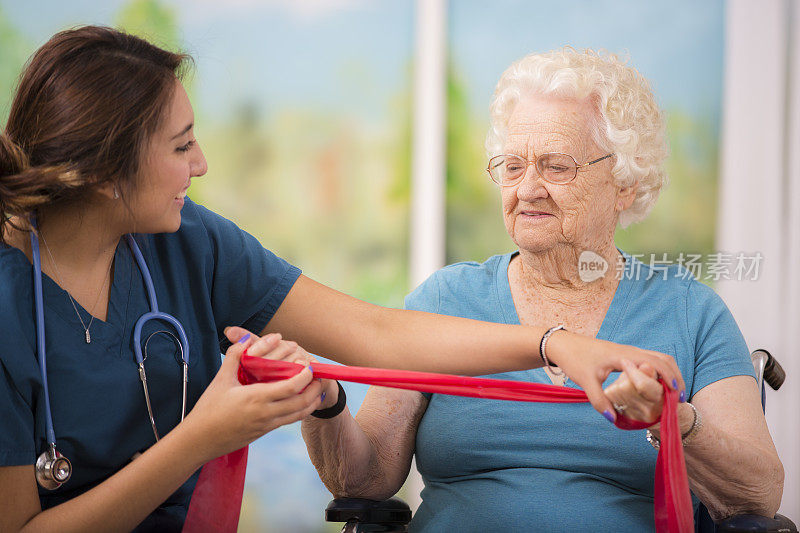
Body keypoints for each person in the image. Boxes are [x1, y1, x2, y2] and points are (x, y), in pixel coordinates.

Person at [0, 29, 683, 532]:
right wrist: (205, 434)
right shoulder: (8, 303)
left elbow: (374, 332)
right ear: (102, 171)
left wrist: (555, 344)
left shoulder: (191, 244)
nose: (202, 164)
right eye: (180, 146)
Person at [299, 48, 784, 531]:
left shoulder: (689, 312)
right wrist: (325, 404)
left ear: (624, 184)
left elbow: (758, 494)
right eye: (512, 166)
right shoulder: (445, 299)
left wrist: (674, 422)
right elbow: (365, 479)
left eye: (556, 166)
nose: (527, 189)